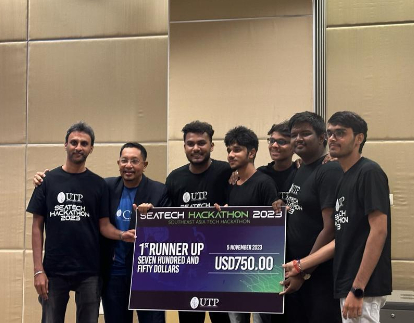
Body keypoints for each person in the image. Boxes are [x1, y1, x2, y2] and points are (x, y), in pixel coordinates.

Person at [33, 142, 169, 323]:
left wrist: (154, 215)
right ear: (118, 163)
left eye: (134, 161)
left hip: (147, 274)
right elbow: (77, 187)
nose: (128, 165)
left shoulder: (159, 190)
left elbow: (169, 233)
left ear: (144, 165)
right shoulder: (106, 186)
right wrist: (45, 179)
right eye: (124, 160)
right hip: (114, 274)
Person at [282, 111, 392, 323]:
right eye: (330, 133)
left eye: (340, 133)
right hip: (345, 282)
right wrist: (300, 265)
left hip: (361, 287)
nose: (332, 138)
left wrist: (358, 288)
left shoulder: (369, 172)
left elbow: (379, 232)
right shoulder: (345, 177)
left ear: (358, 138)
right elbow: (341, 239)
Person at [26, 121, 136, 323]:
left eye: (84, 143)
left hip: (90, 271)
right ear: (65, 145)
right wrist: (38, 270)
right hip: (54, 270)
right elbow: (36, 227)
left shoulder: (99, 184)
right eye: (74, 142)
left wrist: (122, 235)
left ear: (91, 148)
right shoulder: (47, 181)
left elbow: (104, 226)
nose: (78, 147)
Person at [139, 121, 232, 323]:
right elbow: (167, 219)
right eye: (190, 144)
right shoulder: (175, 178)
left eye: (201, 143)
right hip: (188, 268)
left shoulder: (227, 172)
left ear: (211, 146)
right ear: (184, 147)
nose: (196, 148)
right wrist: (151, 212)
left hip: (221, 267)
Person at [272, 112, 342, 323]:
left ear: (322, 137)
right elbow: (303, 206)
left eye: (305, 133)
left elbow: (330, 229)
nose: (298, 139)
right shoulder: (301, 168)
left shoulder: (329, 170)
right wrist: (282, 204)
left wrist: (303, 271)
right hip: (296, 271)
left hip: (318, 276)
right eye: (294, 135)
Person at [216, 126, 278, 323]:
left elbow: (273, 227)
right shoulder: (232, 185)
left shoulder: (264, 183)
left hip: (260, 269)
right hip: (234, 267)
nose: (231, 155)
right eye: (229, 150)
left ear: (251, 153)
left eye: (237, 150)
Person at [257, 121, 297, 203]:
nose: (274, 145)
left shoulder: (300, 173)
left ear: (294, 147)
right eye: (272, 141)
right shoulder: (260, 173)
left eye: (281, 142)